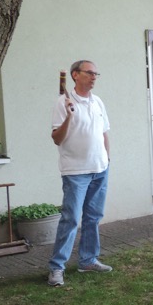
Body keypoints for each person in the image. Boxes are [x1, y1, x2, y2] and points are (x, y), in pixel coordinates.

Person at [48, 60, 112, 287]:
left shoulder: (98, 102)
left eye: (96, 73)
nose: (94, 77)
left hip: (100, 169)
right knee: (71, 219)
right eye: (89, 73)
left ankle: (88, 260)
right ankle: (57, 268)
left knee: (93, 218)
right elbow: (57, 138)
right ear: (75, 75)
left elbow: (104, 133)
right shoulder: (62, 103)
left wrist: (107, 159)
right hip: (76, 172)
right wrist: (68, 116)